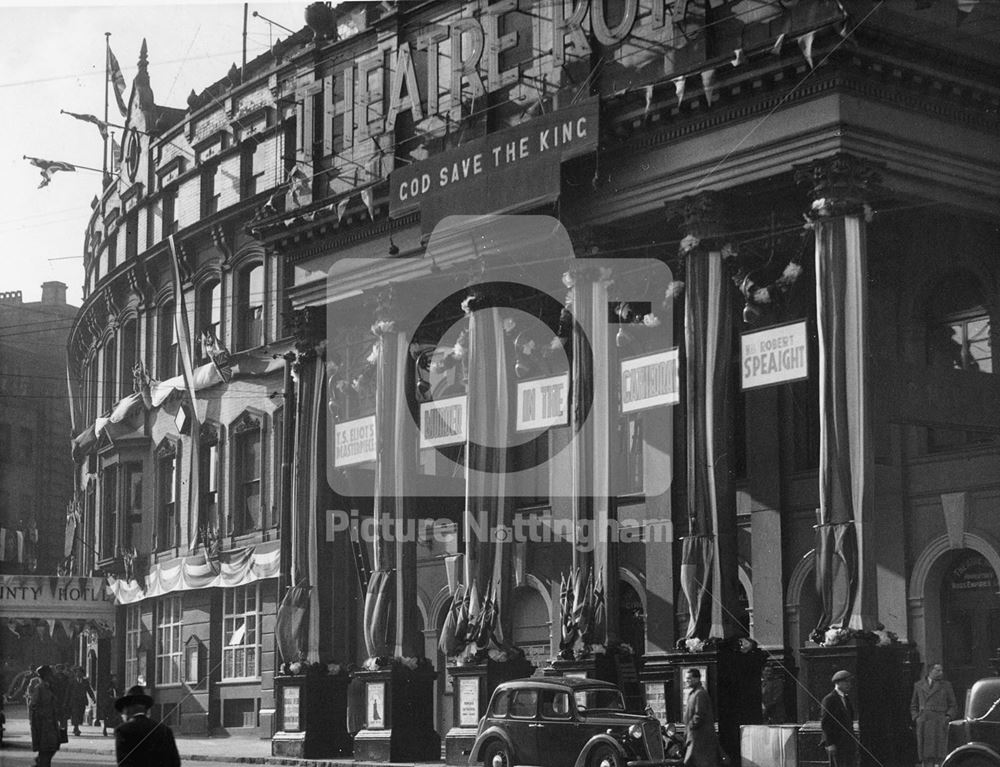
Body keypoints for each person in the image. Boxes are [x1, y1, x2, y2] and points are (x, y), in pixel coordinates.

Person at [114, 684, 181, 767]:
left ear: (127, 710)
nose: (121, 715)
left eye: (122, 711)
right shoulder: (165, 730)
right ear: (146, 709)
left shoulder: (123, 731)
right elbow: (175, 763)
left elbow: (124, 763)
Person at [911, 663, 958, 767]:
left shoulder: (946, 685)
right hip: (924, 722)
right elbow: (914, 704)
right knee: (926, 754)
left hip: (939, 722)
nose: (941, 673)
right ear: (930, 671)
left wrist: (948, 717)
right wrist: (916, 717)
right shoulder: (918, 685)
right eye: (937, 670)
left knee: (940, 752)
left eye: (941, 670)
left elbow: (953, 705)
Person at [683, 667, 721, 767]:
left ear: (697, 679)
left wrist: (690, 726)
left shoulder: (700, 694)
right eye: (686, 678)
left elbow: (699, 715)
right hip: (695, 737)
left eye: (689, 678)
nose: (687, 681)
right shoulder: (694, 693)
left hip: (700, 738)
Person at [820, 669, 857, 767]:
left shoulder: (846, 699)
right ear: (837, 683)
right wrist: (830, 743)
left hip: (848, 743)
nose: (849, 684)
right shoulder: (829, 699)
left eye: (850, 682)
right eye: (846, 682)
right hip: (836, 743)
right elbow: (825, 723)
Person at [27, 665, 61, 767]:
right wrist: (43, 716)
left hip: (51, 724)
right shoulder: (39, 689)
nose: (52, 676)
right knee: (47, 749)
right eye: (50, 674)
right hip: (43, 725)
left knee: (53, 747)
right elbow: (33, 706)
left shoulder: (50, 687)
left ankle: (39, 763)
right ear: (45, 676)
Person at [67, 666, 95, 736]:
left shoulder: (85, 682)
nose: (79, 674)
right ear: (75, 673)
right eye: (77, 672)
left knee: (80, 714)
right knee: (75, 714)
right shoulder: (72, 681)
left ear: (83, 673)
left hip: (82, 701)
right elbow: (68, 692)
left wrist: (93, 698)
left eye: (80, 672)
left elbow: (89, 690)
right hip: (74, 701)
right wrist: (66, 701)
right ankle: (76, 728)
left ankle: (76, 727)